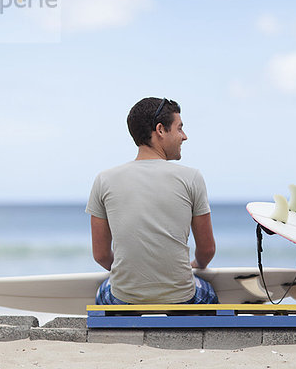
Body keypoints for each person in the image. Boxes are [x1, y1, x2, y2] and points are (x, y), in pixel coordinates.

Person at [86, 97, 218, 304]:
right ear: (160, 130)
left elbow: (101, 255)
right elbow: (207, 250)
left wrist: (131, 276)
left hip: (124, 297)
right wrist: (195, 265)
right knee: (207, 292)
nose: (184, 137)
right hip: (181, 298)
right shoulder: (192, 177)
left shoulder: (104, 180)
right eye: (179, 128)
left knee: (105, 292)